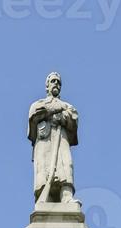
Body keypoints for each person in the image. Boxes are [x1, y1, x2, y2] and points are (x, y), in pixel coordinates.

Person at [28, 73, 80, 206]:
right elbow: (35, 114)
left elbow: (73, 118)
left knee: (66, 165)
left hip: (61, 140)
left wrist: (61, 118)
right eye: (53, 81)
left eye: (58, 82)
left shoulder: (67, 105)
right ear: (47, 86)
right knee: (44, 170)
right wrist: (56, 109)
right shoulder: (38, 103)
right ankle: (47, 198)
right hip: (44, 143)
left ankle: (66, 197)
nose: (56, 83)